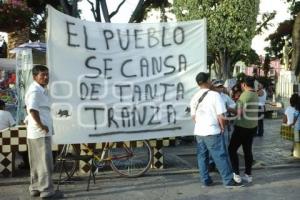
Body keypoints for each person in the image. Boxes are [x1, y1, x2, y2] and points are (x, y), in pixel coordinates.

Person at [190, 72, 243, 188]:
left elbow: (193, 117)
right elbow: (221, 116)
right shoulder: (215, 96)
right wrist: (222, 127)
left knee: (202, 157)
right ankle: (228, 181)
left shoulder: (195, 96)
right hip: (212, 131)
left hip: (199, 132)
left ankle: (205, 180)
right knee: (220, 156)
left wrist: (201, 124)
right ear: (208, 81)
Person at [25, 65, 63, 199]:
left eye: (47, 74)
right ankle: (46, 191)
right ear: (35, 77)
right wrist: (41, 125)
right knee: (45, 163)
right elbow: (33, 110)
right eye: (42, 75)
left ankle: (35, 188)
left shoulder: (40, 90)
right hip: (40, 132)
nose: (46, 77)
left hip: (36, 132)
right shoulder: (35, 91)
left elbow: (29, 108)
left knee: (36, 163)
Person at [229, 76, 259, 184]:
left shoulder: (245, 95)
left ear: (244, 85)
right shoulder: (255, 94)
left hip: (242, 127)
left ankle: (236, 174)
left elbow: (239, 113)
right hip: (252, 127)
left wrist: (227, 108)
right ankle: (248, 175)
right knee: (247, 151)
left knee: (231, 150)